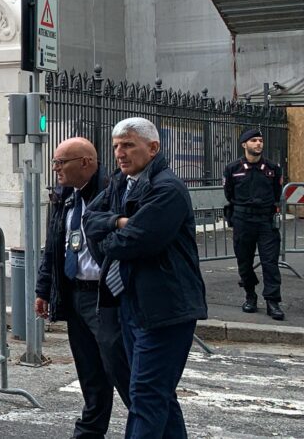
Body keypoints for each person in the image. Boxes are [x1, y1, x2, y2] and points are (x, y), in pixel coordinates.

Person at [84, 117, 207, 439]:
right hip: (131, 304)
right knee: (157, 395)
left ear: (153, 148)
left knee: (146, 395)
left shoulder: (167, 189)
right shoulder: (121, 184)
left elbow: (134, 243)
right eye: (116, 147)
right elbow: (89, 220)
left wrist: (112, 234)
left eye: (128, 145)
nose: (120, 153)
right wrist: (120, 222)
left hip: (165, 308)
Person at [35, 137, 130, 438]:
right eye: (55, 162)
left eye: (61, 162)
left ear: (86, 163)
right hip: (75, 293)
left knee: (122, 372)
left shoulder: (112, 191)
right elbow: (53, 245)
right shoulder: (64, 194)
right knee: (90, 375)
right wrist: (43, 289)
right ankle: (88, 433)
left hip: (106, 298)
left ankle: (150, 427)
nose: (55, 168)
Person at [223, 128, 284, 320]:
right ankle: (250, 296)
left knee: (270, 262)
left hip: (265, 220)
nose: (258, 144)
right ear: (244, 145)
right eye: (254, 141)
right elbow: (229, 194)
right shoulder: (233, 169)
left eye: (260, 140)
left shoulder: (273, 169)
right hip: (242, 220)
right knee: (244, 262)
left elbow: (277, 193)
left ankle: (272, 302)